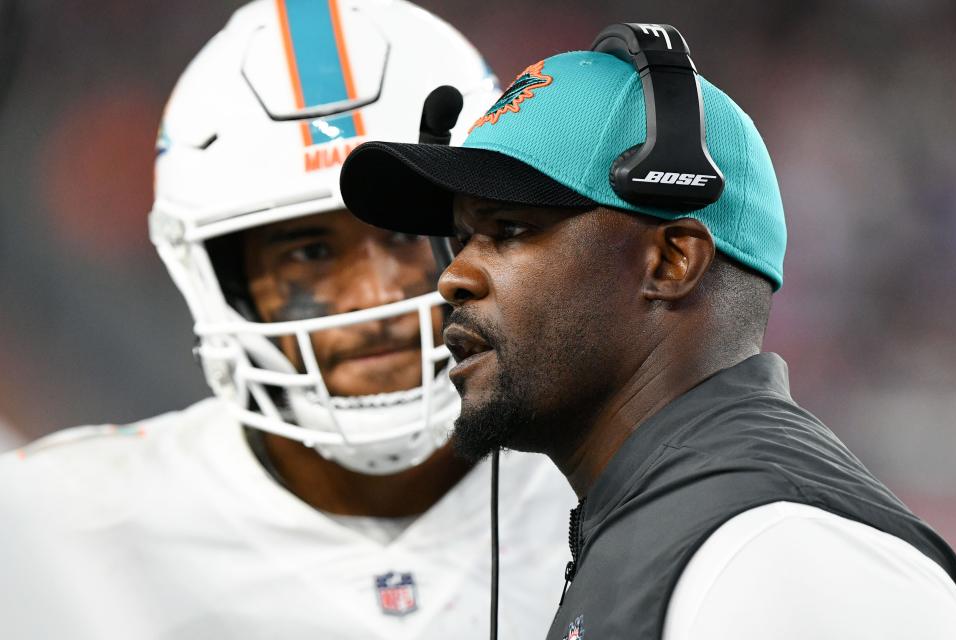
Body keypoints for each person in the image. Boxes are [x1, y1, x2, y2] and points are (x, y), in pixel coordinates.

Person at [339, 23, 956, 640]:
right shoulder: (686, 524)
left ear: (670, 262)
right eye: (460, 238)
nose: (452, 277)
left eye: (508, 230)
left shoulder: (785, 552)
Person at [0, 1, 573, 638]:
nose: (374, 297)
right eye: (311, 252)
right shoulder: (45, 528)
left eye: (408, 234)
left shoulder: (622, 482)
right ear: (224, 277)